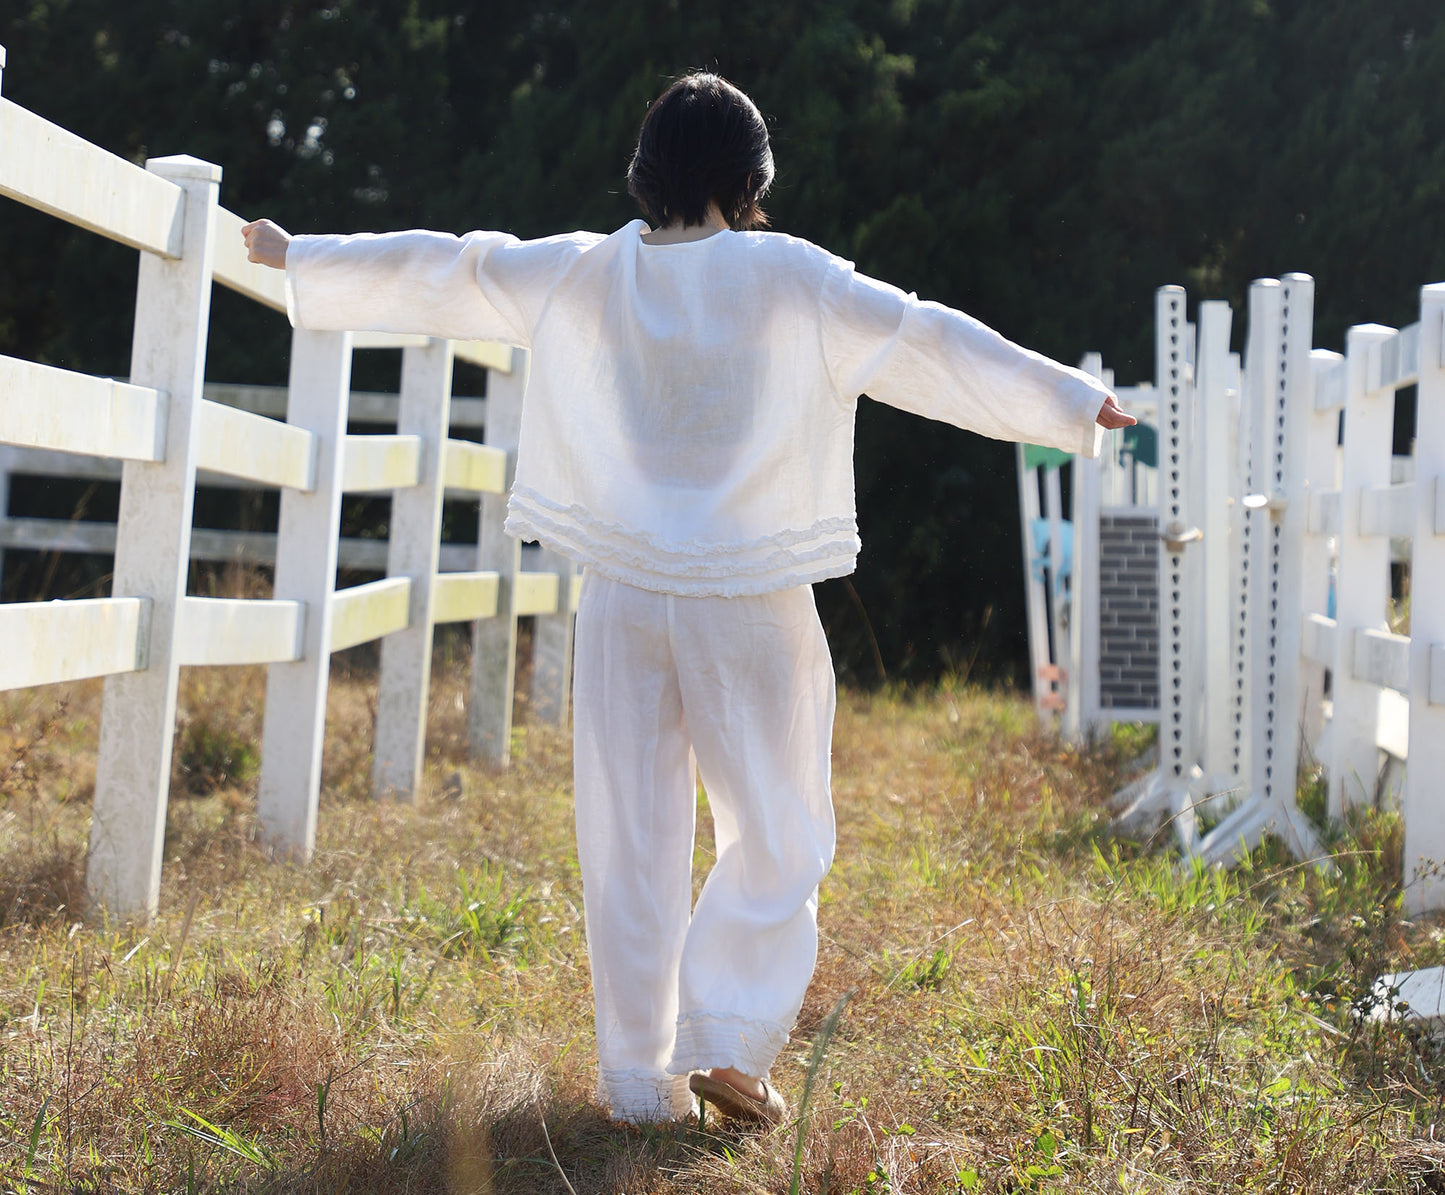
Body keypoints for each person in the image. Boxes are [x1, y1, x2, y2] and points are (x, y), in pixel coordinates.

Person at [243, 71, 1134, 1128]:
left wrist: (303, 258)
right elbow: (927, 341)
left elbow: (449, 267)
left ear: (645, 169)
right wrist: (1070, 401)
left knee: (627, 837)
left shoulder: (584, 270)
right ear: (751, 176)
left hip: (624, 593)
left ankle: (636, 1082)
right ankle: (725, 1037)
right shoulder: (791, 276)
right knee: (777, 827)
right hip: (747, 594)